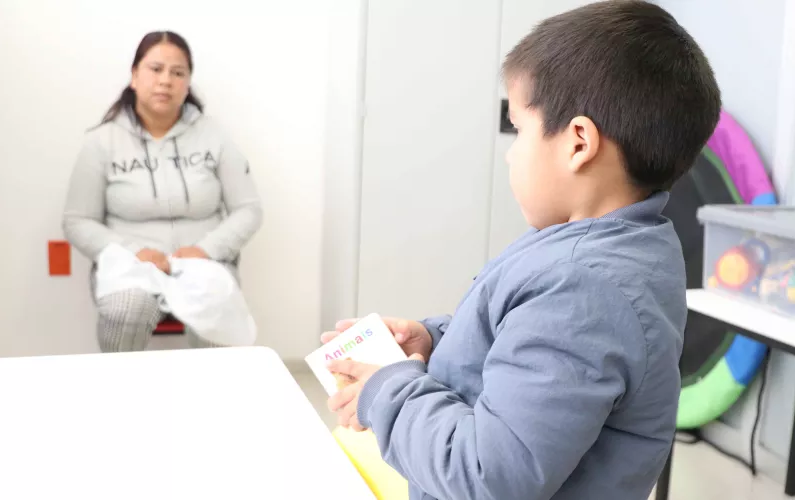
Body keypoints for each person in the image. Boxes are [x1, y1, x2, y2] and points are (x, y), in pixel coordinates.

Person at [321, 2, 721, 499]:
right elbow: (520, 343)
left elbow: (488, 476)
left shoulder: (584, 287)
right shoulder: (615, 248)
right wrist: (435, 340)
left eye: (518, 128)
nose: (511, 153)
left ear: (578, 143)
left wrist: (388, 389)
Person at [62, 31, 262, 352]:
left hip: (203, 263)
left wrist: (205, 250)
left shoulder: (214, 136)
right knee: (128, 308)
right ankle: (120, 382)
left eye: (177, 72)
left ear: (188, 82)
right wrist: (133, 252)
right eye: (155, 69)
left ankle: (217, 384)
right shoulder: (100, 142)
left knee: (215, 308)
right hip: (132, 265)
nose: (166, 80)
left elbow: (248, 209)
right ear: (134, 76)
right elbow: (77, 220)